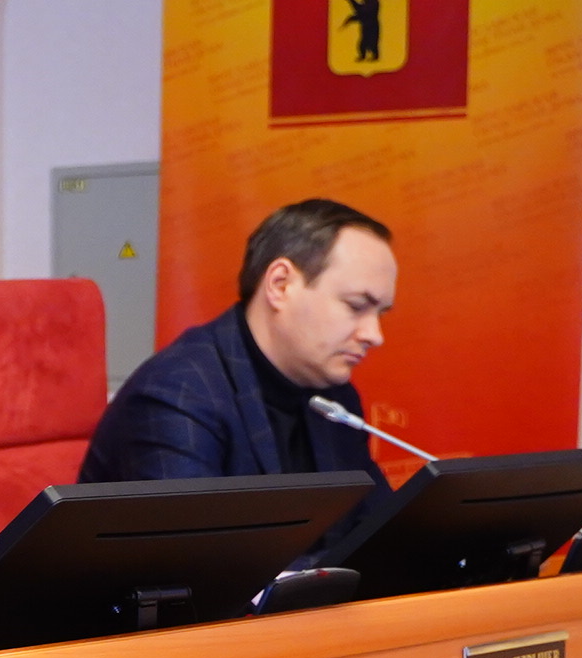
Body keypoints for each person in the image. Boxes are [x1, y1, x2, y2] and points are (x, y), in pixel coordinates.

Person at [78, 197, 399, 482]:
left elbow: (375, 522)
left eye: (380, 313)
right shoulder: (178, 395)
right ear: (280, 285)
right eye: (356, 306)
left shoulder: (334, 398)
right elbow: (195, 532)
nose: (375, 335)